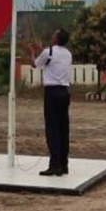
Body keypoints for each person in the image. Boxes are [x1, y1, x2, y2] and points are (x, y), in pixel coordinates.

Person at [30, 28, 73, 176]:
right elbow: (52, 61)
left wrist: (33, 52)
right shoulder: (67, 53)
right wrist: (41, 50)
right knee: (63, 129)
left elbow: (35, 64)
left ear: (57, 38)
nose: (51, 35)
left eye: (54, 34)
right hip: (65, 92)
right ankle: (63, 164)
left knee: (52, 129)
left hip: (52, 93)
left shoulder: (48, 51)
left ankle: (54, 166)